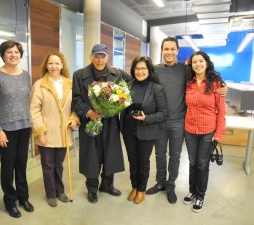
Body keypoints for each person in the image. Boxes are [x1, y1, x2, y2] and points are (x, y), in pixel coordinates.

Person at [146, 37, 227, 204]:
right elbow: (138, 76)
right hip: (159, 121)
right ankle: (160, 182)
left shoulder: (185, 69)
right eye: (165, 49)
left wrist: (222, 87)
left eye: (172, 49)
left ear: (177, 51)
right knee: (160, 154)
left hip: (178, 121)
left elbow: (206, 75)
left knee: (175, 156)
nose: (169, 52)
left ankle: (170, 186)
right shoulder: (155, 70)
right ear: (161, 51)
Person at [71, 43, 127, 204]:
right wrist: (89, 112)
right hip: (90, 121)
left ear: (107, 58)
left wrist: (112, 108)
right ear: (91, 57)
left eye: (103, 56)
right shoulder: (79, 75)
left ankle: (107, 185)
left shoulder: (115, 74)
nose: (99, 60)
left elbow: (125, 92)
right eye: (96, 56)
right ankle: (92, 189)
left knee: (110, 154)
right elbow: (76, 100)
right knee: (92, 156)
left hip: (110, 122)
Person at [0, 40, 33, 218]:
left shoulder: (26, 75)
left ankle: (23, 197)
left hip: (25, 126)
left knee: (22, 164)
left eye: (16, 52)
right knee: (8, 167)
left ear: (20, 55)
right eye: (9, 52)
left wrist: (32, 123)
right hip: (6, 131)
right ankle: (10, 201)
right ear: (3, 55)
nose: (13, 55)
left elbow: (27, 101)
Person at [30, 51, 80, 207]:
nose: (54, 66)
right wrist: (40, 131)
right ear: (46, 65)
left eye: (57, 63)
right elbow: (33, 110)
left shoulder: (70, 84)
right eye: (50, 63)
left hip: (64, 132)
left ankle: (60, 191)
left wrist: (74, 119)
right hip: (47, 132)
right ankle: (51, 194)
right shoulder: (40, 85)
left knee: (59, 165)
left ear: (62, 65)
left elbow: (76, 106)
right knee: (48, 166)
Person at [120, 56, 167, 204]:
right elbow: (122, 106)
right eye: (137, 68)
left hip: (147, 130)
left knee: (143, 161)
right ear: (133, 70)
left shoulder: (157, 88)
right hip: (128, 130)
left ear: (149, 70)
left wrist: (146, 118)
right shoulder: (127, 85)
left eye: (143, 68)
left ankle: (141, 189)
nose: (140, 71)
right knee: (132, 160)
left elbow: (163, 113)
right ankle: (134, 186)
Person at [183, 51, 226, 213]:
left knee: (202, 163)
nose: (198, 64)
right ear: (191, 65)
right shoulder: (188, 83)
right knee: (192, 162)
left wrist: (219, 133)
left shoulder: (216, 84)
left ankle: (200, 195)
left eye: (201, 61)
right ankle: (192, 191)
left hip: (208, 130)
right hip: (190, 130)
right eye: (194, 62)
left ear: (206, 63)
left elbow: (221, 111)